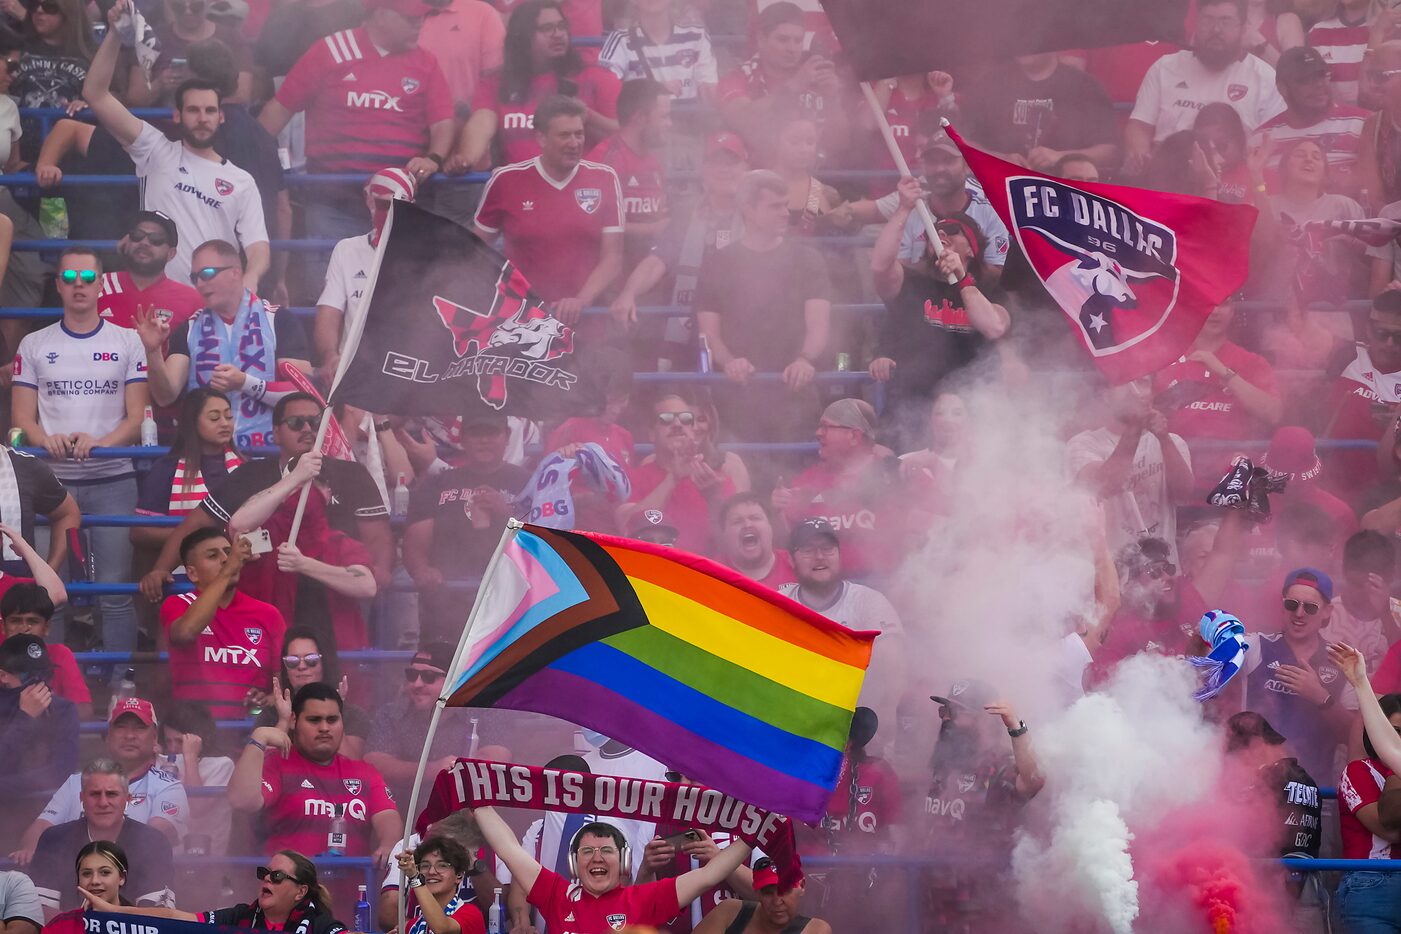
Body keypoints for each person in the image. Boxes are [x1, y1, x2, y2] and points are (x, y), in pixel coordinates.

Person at [10, 247, 149, 654]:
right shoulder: (34, 344)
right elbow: (20, 423)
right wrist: (42, 438)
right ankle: (46, 681)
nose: (78, 286)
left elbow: (137, 417)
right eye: (69, 278)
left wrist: (101, 444)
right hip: (49, 485)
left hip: (113, 478)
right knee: (47, 589)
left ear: (102, 283)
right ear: (57, 286)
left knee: (115, 591)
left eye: (87, 278)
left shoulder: (128, 340)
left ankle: (121, 683)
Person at [83, 2, 270, 289]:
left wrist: (252, 276)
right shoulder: (154, 151)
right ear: (177, 115)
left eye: (209, 111)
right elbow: (95, 94)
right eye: (193, 110)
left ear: (221, 116)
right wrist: (115, 35)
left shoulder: (241, 181)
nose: (202, 118)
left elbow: (258, 246)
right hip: (154, 301)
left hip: (212, 306)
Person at [142, 392, 391, 603]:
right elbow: (194, 525)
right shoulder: (250, 474)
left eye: (315, 422)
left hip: (335, 595)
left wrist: (378, 575)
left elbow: (378, 539)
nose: (307, 429)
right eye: (296, 422)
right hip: (265, 596)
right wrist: (160, 570)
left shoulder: (352, 474)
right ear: (275, 433)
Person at [256, 0, 453, 194]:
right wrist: (248, 155)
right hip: (332, 198)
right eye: (411, 18)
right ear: (381, 15)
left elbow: (442, 122)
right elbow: (280, 109)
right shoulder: (330, 51)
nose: (419, 24)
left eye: (422, 18)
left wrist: (433, 159)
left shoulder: (426, 63)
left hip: (401, 198)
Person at [694, 170, 830, 441]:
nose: (785, 213)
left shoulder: (808, 259)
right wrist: (730, 362)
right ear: (748, 211)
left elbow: (819, 325)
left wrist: (805, 360)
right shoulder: (718, 263)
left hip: (795, 393)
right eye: (774, 206)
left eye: (785, 205)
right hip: (738, 396)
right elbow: (708, 333)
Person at [138, 239, 311, 451]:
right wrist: (153, 351)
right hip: (208, 459)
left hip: (266, 456)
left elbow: (304, 393)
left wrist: (245, 382)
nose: (200, 284)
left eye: (208, 273)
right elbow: (165, 396)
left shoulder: (279, 320)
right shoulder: (189, 328)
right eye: (195, 277)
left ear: (235, 273)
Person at [868, 176, 1010, 432]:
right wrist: (903, 209)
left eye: (953, 231)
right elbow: (879, 266)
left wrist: (963, 280)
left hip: (970, 407)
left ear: (971, 250)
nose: (941, 233)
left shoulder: (991, 291)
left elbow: (994, 326)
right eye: (937, 230)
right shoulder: (911, 282)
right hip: (911, 407)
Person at [474, 806, 754, 934]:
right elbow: (508, 848)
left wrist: (755, 833)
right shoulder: (557, 895)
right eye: (587, 852)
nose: (597, 858)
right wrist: (476, 803)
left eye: (606, 851)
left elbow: (710, 874)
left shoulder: (643, 898)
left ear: (622, 862)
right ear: (574, 864)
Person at [473, 94, 624, 320]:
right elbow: (474, 251)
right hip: (524, 320)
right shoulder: (506, 180)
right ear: (541, 138)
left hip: (588, 319)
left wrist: (581, 300)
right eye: (564, 135)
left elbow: (613, 258)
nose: (574, 143)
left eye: (579, 134)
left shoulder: (605, 178)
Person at [608, 131, 747, 370]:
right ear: (704, 169)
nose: (724, 170)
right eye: (716, 163)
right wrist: (629, 293)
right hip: (687, 324)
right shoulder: (687, 213)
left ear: (746, 167)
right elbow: (656, 262)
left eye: (732, 163)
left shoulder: (756, 212)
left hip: (741, 324)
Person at [228, 682, 401, 863]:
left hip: (353, 890)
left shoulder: (365, 772)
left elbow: (387, 816)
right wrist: (259, 738)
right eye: (314, 720)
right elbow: (242, 801)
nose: (324, 727)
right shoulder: (278, 763)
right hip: (290, 888)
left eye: (332, 720)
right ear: (294, 721)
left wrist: (389, 844)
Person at [224, 448, 377, 651]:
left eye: (317, 482)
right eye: (301, 485)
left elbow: (367, 586)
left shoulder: (340, 544)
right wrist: (295, 478)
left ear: (328, 493)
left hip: (333, 657)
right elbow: (237, 525)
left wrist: (303, 564)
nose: (308, 491)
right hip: (273, 653)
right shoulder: (265, 537)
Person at [14, 697, 187, 866]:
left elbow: (156, 836)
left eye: (139, 728)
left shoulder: (168, 786)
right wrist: (31, 849)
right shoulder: (76, 782)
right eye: (121, 727)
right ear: (108, 736)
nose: (129, 736)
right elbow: (42, 826)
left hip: (137, 881)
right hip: (75, 881)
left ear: (155, 737)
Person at [403, 412, 530, 638]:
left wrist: (506, 512)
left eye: (492, 433)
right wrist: (422, 569)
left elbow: (542, 542)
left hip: (511, 602)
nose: (484, 440)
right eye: (476, 433)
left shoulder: (527, 482)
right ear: (462, 438)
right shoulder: (437, 483)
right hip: (446, 605)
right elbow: (416, 542)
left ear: (507, 436)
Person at [453, 0, 620, 171]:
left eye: (562, 26)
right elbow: (481, 123)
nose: (558, 34)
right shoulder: (496, 82)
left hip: (580, 188)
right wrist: (466, 159)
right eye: (547, 28)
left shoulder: (597, 77)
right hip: (520, 189)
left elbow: (623, 138)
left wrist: (585, 114)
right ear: (523, 36)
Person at [1124, 0, 1286, 173]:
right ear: (1196, 22)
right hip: (1167, 178)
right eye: (1207, 20)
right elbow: (1140, 126)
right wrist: (1140, 155)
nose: (1216, 29)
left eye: (1226, 22)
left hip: (1232, 185)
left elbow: (1269, 150)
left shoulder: (1266, 79)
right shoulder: (1165, 68)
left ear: (1244, 27)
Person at [1240, 568, 1354, 785]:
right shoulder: (1255, 646)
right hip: (1253, 788)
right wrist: (1206, 635)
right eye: (1292, 604)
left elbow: (1353, 737)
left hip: (1314, 794)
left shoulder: (1342, 662)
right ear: (1283, 606)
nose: (1299, 613)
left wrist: (1322, 698)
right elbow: (1208, 665)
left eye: (1310, 607)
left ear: (1328, 611)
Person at [777, 520, 903, 716]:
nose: (819, 557)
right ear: (791, 560)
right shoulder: (778, 603)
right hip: (792, 721)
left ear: (839, 554)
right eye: (808, 550)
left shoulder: (868, 601)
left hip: (854, 724)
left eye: (827, 548)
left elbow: (892, 676)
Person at [1151, 300, 1281, 487]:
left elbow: (1273, 414)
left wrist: (1223, 372)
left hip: (1231, 487)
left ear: (1233, 310)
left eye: (1224, 304)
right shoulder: (1163, 359)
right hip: (1168, 481)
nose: (1215, 311)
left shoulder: (1251, 362)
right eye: (1208, 302)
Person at [160, 528, 286, 719]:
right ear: (192, 573)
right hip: (194, 730)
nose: (227, 559)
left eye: (229, 553)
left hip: (252, 733)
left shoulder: (268, 614)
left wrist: (266, 700)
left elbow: (283, 685)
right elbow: (185, 632)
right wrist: (227, 570)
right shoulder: (178, 604)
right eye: (213, 556)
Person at [1067, 376, 1193, 563]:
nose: (1132, 389)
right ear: (1105, 395)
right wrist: (1135, 426)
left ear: (1151, 393)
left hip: (1162, 573)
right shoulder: (1083, 444)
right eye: (1122, 382)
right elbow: (1106, 485)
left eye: (1142, 382)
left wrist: (1164, 439)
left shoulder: (1173, 441)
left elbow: (1184, 496)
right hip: (1109, 574)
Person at [77, 848, 347, 934]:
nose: (266, 880)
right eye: (263, 874)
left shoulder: (318, 923)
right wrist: (114, 910)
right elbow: (172, 916)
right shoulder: (241, 916)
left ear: (300, 892)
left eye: (276, 876)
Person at [777, 399, 904, 580]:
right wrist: (778, 511)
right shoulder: (806, 482)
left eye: (826, 427)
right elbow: (787, 542)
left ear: (854, 436)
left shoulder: (897, 476)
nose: (818, 433)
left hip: (885, 584)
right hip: (823, 590)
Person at [312, 167, 418, 380]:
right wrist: (330, 356)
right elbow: (328, 313)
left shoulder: (429, 253)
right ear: (369, 201)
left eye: (397, 206)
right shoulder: (346, 250)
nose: (388, 213)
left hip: (409, 373)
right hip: (355, 371)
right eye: (383, 204)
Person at [30, 764, 175, 916]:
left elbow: (158, 916)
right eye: (95, 794)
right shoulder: (54, 839)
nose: (103, 803)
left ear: (127, 798)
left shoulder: (153, 842)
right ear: (82, 799)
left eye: (111, 794)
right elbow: (41, 911)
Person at [715, 2, 844, 159]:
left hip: (814, 175)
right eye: (783, 40)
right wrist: (793, 86)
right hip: (755, 177)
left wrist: (833, 99)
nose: (792, 48)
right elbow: (741, 120)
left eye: (798, 41)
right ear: (761, 39)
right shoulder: (736, 78)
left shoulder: (817, 77)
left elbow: (840, 143)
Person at [616, 394, 735, 555]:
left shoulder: (716, 480)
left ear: (694, 431)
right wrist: (672, 479)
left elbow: (734, 544)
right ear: (651, 433)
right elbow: (625, 528)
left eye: (686, 419)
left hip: (703, 574)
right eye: (666, 419)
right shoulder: (631, 479)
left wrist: (713, 499)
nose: (678, 424)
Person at [961, 51, 1119, 172]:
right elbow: (963, 142)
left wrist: (1061, 158)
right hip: (1001, 189)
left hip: (1064, 191)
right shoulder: (990, 83)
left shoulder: (1084, 86)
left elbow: (1110, 152)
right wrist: (1000, 159)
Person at [1256, 45, 1369, 196]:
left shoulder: (1364, 123)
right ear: (1283, 88)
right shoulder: (1262, 139)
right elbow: (1257, 192)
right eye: (1305, 80)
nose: (1319, 85)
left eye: (1321, 75)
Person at [133, 389, 242, 542]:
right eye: (214, 417)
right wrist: (199, 540)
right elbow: (140, 532)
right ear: (192, 422)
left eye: (229, 416)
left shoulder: (245, 466)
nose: (225, 423)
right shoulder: (166, 468)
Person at [365, 643, 463, 804]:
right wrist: (433, 769)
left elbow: (493, 758)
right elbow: (375, 763)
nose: (417, 684)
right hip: (403, 810)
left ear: (453, 680)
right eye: (412, 675)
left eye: (429, 676)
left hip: (460, 811)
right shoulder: (391, 713)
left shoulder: (478, 712)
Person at [586, 78, 671, 263]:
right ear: (640, 118)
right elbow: (589, 224)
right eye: (664, 116)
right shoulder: (604, 161)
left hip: (646, 274)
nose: (670, 124)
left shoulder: (654, 162)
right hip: (610, 279)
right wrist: (652, 229)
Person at [1336, 692, 1401, 930]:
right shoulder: (1358, 770)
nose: (1398, 740)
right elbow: (1389, 829)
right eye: (1394, 731)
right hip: (1372, 882)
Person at [255, 628, 369, 757]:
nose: (302, 666)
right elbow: (261, 767)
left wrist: (336, 713)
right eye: (292, 661)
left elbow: (351, 765)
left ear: (324, 665)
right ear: (286, 670)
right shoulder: (270, 715)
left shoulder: (352, 715)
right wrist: (284, 721)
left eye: (311, 660)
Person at [1222, 711, 1321, 860]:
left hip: (1269, 874)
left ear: (1256, 745)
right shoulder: (1308, 781)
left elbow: (1241, 835)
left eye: (1235, 755)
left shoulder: (1266, 781)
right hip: (1309, 876)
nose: (1235, 765)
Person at [7, 0, 96, 164]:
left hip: (67, 157)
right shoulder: (15, 49)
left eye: (49, 7)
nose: (39, 11)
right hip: (19, 156)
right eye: (34, 5)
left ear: (68, 12)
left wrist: (87, 103)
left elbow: (114, 96)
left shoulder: (91, 54)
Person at [96, 211, 202, 333]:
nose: (144, 242)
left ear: (171, 254)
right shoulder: (97, 286)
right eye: (137, 235)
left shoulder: (193, 300)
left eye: (156, 239)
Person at [0, 634, 77, 796]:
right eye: (30, 676)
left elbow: (61, 772)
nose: (40, 682)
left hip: (47, 807)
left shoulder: (63, 709)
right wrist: (25, 718)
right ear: (3, 676)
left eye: (46, 675)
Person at [598, 0, 716, 103]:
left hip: (689, 123)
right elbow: (604, 91)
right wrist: (654, 89)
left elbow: (710, 92)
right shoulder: (620, 40)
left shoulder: (697, 35)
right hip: (644, 124)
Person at [159, 701, 235, 856]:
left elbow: (197, 808)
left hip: (207, 862)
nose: (172, 748)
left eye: (179, 741)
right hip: (167, 860)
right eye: (169, 741)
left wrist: (190, 756)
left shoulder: (223, 765)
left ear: (199, 738)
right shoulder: (163, 761)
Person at [1, 586, 84, 714]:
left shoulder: (60, 655)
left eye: (32, 621)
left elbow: (83, 712)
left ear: (47, 627)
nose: (24, 628)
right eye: (15, 621)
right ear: (3, 627)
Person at [690, 859, 829, 934]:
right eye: (768, 892)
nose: (777, 901)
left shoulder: (815, 930)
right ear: (757, 892)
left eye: (784, 890)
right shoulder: (728, 912)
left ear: (802, 886)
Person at [395, 836, 487, 934]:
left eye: (442, 865)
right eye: (425, 866)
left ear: (459, 876)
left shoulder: (471, 914)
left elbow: (442, 929)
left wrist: (415, 878)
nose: (431, 872)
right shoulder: (412, 926)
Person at [38, 842, 134, 934]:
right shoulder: (61, 926)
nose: (95, 881)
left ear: (122, 877)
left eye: (105, 872)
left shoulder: (142, 923)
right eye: (87, 873)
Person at [714, 493, 794, 590]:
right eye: (737, 521)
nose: (747, 524)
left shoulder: (796, 564)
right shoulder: (711, 574)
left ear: (771, 527)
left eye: (755, 518)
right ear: (724, 534)